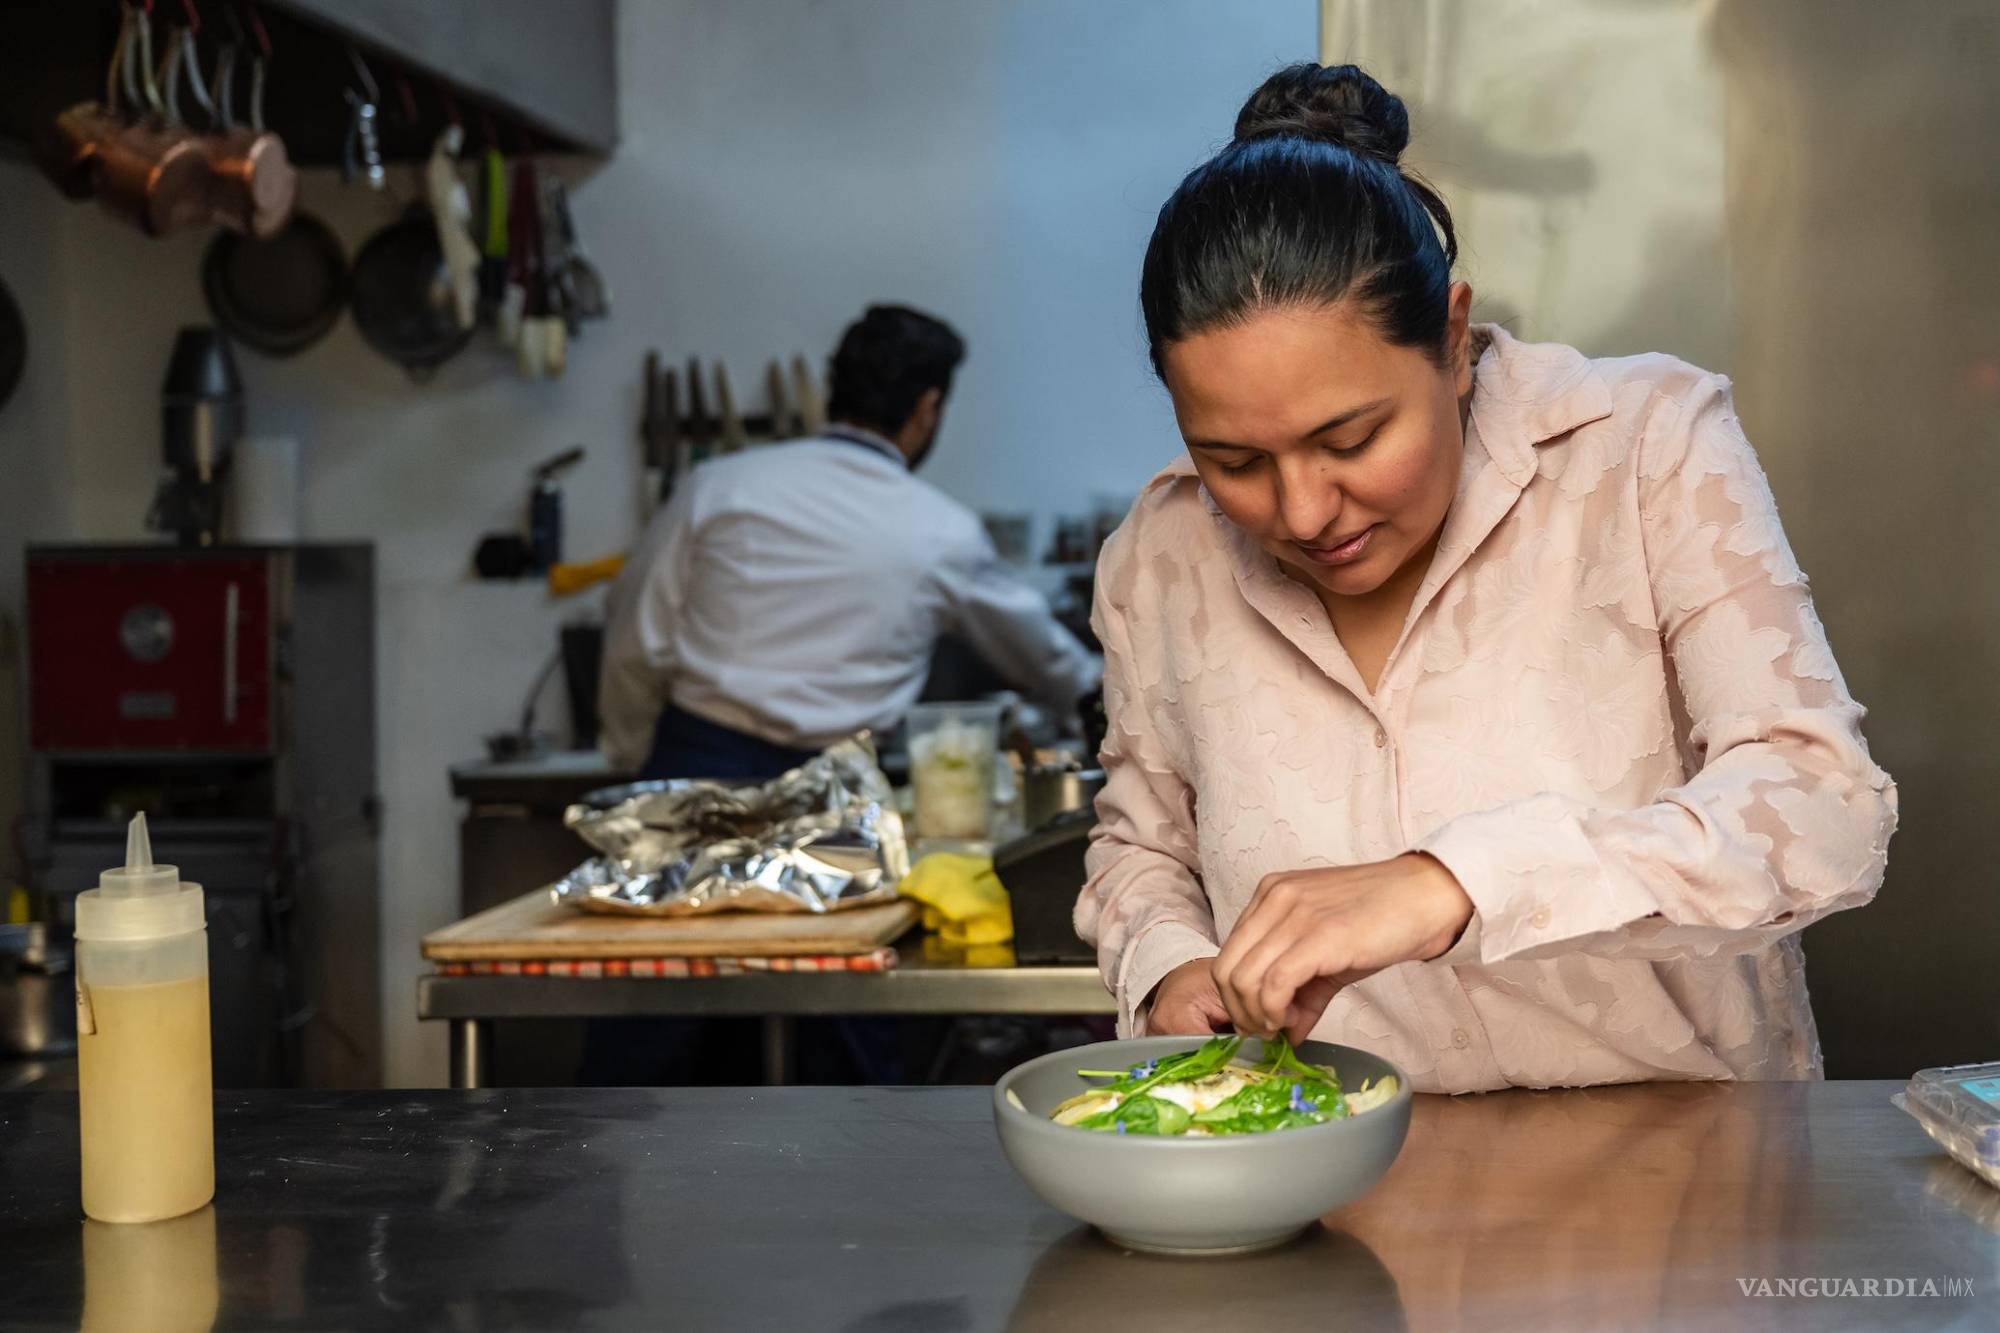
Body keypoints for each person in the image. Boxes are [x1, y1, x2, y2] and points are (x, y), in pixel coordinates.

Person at [1076, 64, 1897, 1093]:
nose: (1300, 511)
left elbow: (1820, 806)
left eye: (1350, 437)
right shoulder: (1162, 551)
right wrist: (1167, 964)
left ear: (1453, 341)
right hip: (1335, 1186)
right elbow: (1138, 841)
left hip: (1682, 1188)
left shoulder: (1640, 447)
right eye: (1232, 461)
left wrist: (1457, 882)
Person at [599, 303, 1098, 782]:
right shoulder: (942, 532)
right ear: (928, 409)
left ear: (830, 390)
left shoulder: (718, 486)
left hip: (693, 768)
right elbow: (1047, 658)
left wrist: (634, 759)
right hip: (831, 805)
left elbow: (634, 643)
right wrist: (1103, 706)